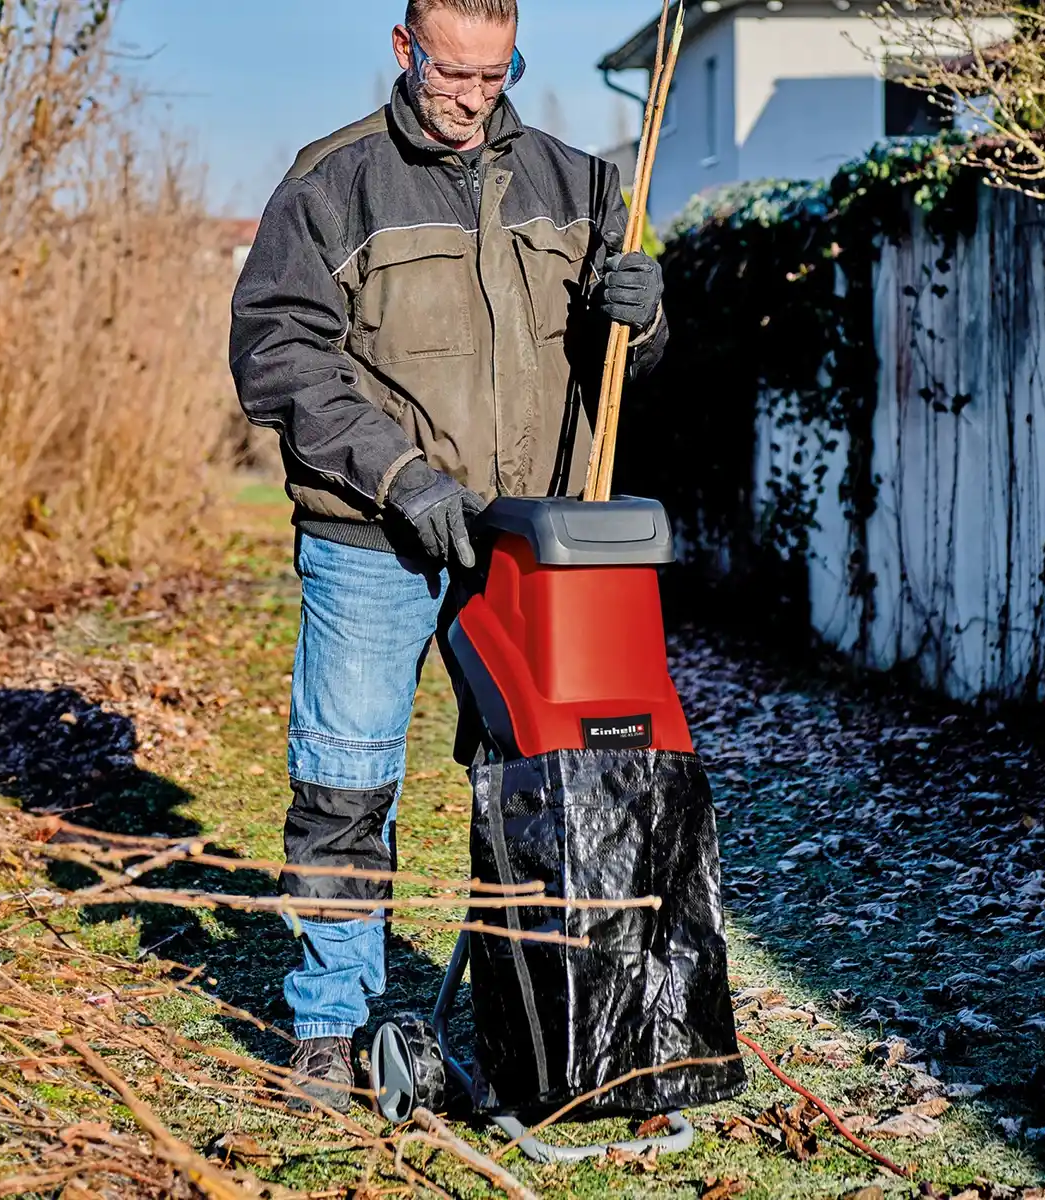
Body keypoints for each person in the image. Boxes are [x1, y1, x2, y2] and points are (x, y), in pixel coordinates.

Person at [229, 0, 667, 1110]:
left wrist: (645, 316)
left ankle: (525, 1016)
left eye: (494, 72)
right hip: (372, 537)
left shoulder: (585, 182)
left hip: (529, 546)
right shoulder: (332, 183)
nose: (472, 96)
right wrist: (400, 479)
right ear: (403, 50)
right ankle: (331, 1028)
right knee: (345, 785)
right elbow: (276, 356)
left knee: (527, 786)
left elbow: (627, 369)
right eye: (449, 73)